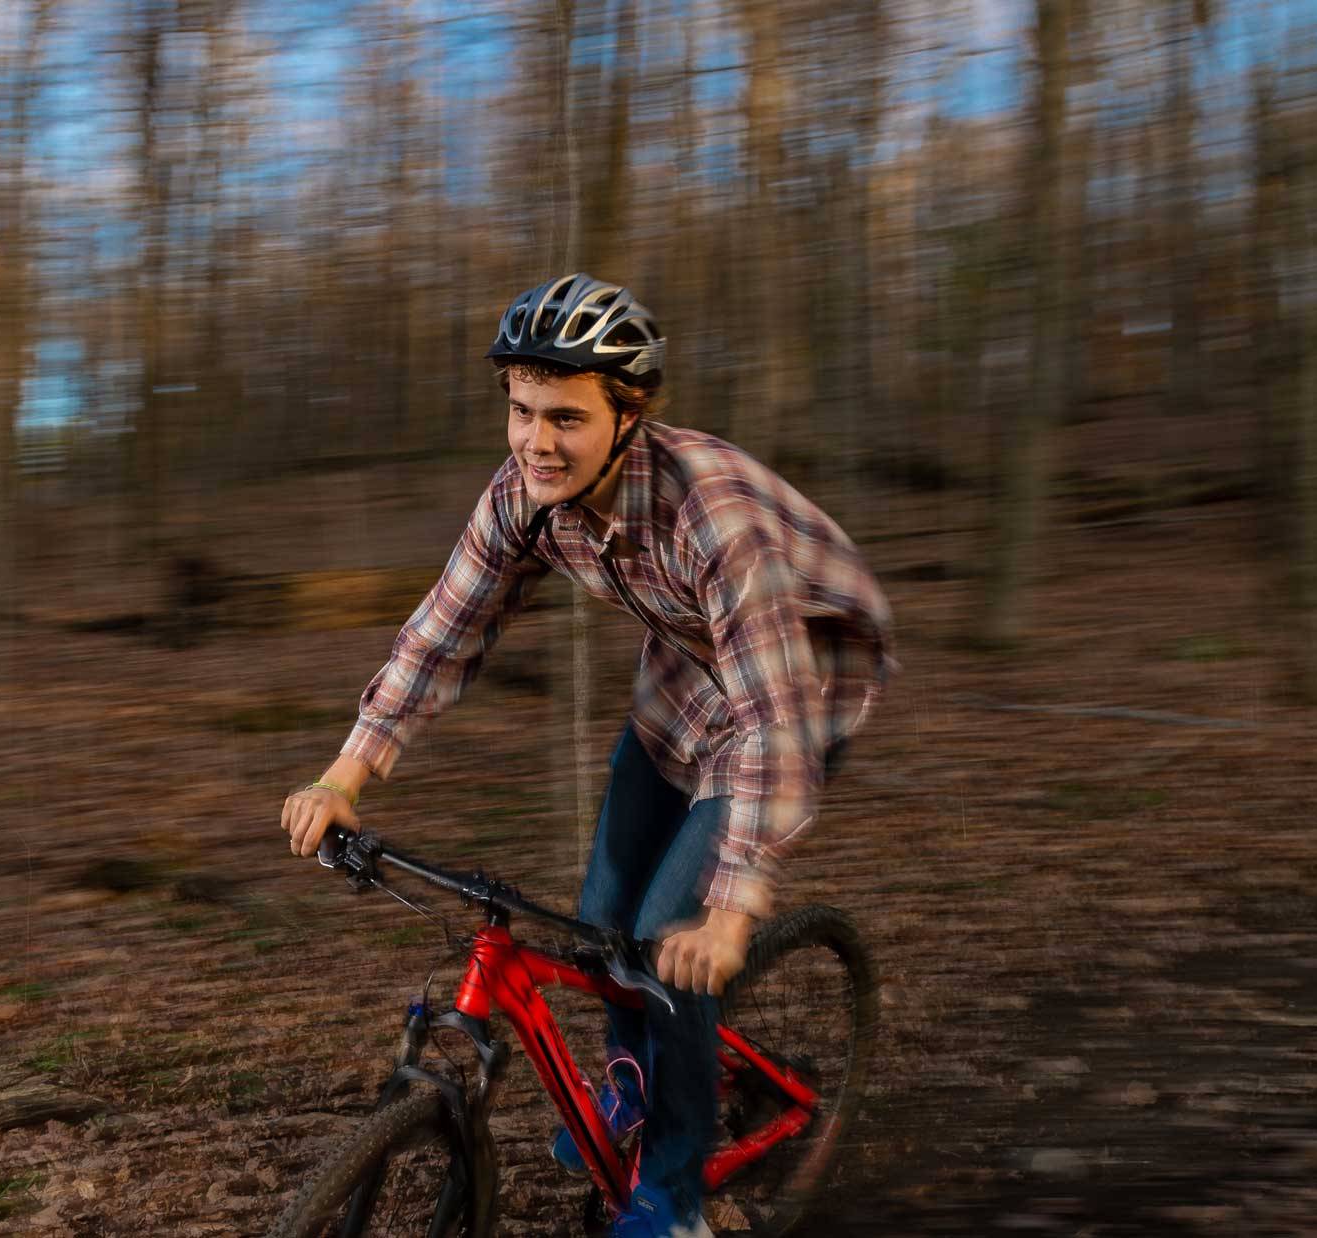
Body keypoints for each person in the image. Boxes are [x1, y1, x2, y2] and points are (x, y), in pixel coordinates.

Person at [278, 273, 893, 1238]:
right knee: (604, 919)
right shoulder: (523, 496)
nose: (536, 441)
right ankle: (634, 1079)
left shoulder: (711, 514)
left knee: (667, 945)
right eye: (522, 411)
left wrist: (731, 913)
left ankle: (675, 1198)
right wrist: (342, 776)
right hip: (686, 679)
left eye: (566, 417)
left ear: (628, 415)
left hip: (801, 682)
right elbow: (440, 636)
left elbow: (772, 723)